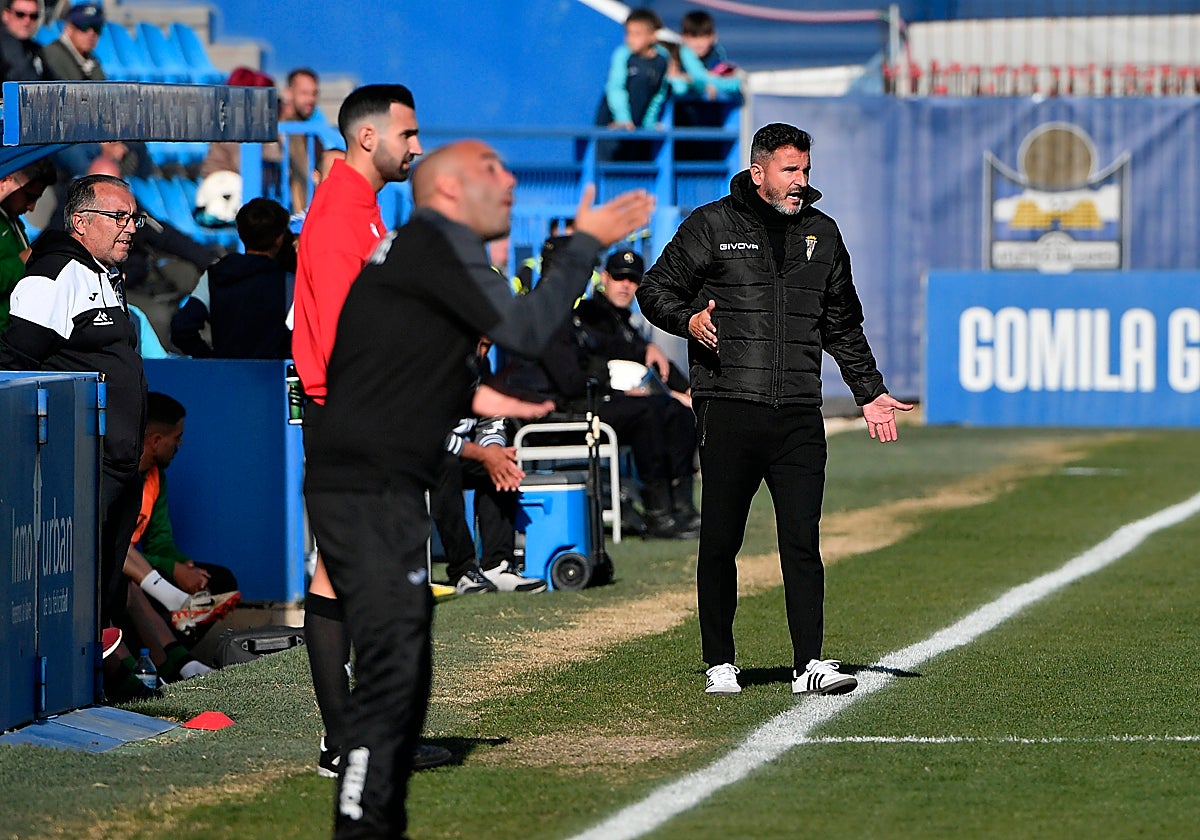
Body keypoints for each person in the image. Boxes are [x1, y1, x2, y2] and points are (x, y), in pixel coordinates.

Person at [304, 139, 652, 838]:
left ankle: (373, 818)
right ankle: (359, 823)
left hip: (374, 480)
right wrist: (581, 244)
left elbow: (394, 354)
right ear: (450, 191)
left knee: (403, 670)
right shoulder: (438, 241)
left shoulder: (420, 248)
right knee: (391, 672)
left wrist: (479, 396)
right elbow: (524, 328)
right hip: (369, 486)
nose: (512, 180)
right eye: (493, 169)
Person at [637, 123, 914, 696]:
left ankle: (808, 664)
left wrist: (869, 391)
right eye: (790, 171)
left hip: (797, 414)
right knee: (720, 540)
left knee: (802, 541)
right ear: (758, 171)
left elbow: (842, 324)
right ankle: (720, 662)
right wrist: (688, 321)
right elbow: (655, 289)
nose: (800, 182)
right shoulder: (711, 225)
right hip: (729, 407)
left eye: (806, 170)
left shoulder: (823, 234)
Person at [288, 84, 441, 781]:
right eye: (408, 134)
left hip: (360, 413)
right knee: (343, 572)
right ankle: (345, 743)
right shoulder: (339, 215)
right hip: (349, 415)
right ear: (367, 137)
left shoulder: (363, 209)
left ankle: (360, 737)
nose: (417, 146)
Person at [0, 174, 148, 637]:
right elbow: (14, 361)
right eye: (117, 217)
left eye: (134, 218)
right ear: (80, 223)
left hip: (118, 463)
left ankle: (101, 692)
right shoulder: (56, 274)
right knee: (74, 589)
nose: (129, 227)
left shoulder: (107, 273)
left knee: (104, 594)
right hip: (81, 462)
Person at [575, 248, 700, 533]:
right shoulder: (590, 314)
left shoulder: (625, 323)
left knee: (679, 412)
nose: (625, 285)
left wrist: (686, 390)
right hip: (596, 402)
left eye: (632, 280)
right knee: (652, 411)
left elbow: (645, 358)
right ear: (604, 278)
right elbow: (599, 363)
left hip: (624, 400)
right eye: (619, 277)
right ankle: (658, 511)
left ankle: (681, 504)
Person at [431, 340, 543, 595]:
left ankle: (497, 564)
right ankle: (462, 569)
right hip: (413, 454)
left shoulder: (481, 365)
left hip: (456, 450)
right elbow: (429, 434)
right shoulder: (434, 361)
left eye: (487, 346)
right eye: (479, 345)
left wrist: (494, 451)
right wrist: (484, 454)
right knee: (444, 467)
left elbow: (490, 418)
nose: (482, 352)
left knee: (501, 465)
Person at [125, 391, 241, 632]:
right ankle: (156, 658)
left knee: (218, 580)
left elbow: (160, 542)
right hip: (117, 570)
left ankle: (181, 658)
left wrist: (183, 566)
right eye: (176, 438)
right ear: (156, 441)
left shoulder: (157, 477)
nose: (180, 445)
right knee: (129, 588)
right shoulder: (118, 479)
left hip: (142, 566)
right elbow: (111, 550)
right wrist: (172, 569)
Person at [171, 197, 293, 358]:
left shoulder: (214, 275)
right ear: (279, 239)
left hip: (225, 378)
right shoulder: (290, 282)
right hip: (272, 378)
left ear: (241, 233)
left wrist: (211, 359)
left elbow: (182, 328)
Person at [0, 156, 56, 333]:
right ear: (6, 180)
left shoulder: (13, 221)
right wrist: (21, 262)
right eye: (29, 196)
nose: (31, 207)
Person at [596, 7, 670, 131]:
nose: (630, 39)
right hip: (613, 126)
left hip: (637, 129)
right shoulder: (622, 55)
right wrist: (622, 119)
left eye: (637, 34)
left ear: (653, 36)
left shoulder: (662, 59)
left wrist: (650, 124)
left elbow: (658, 94)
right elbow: (615, 88)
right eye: (628, 33)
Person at [42, 1, 105, 81]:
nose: (91, 34)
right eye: (84, 27)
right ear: (69, 28)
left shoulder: (92, 59)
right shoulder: (51, 55)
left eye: (97, 28)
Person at [0, 0, 53, 82]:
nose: (27, 21)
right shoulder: (4, 47)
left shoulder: (35, 49)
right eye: (20, 14)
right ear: (6, 15)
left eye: (33, 16)